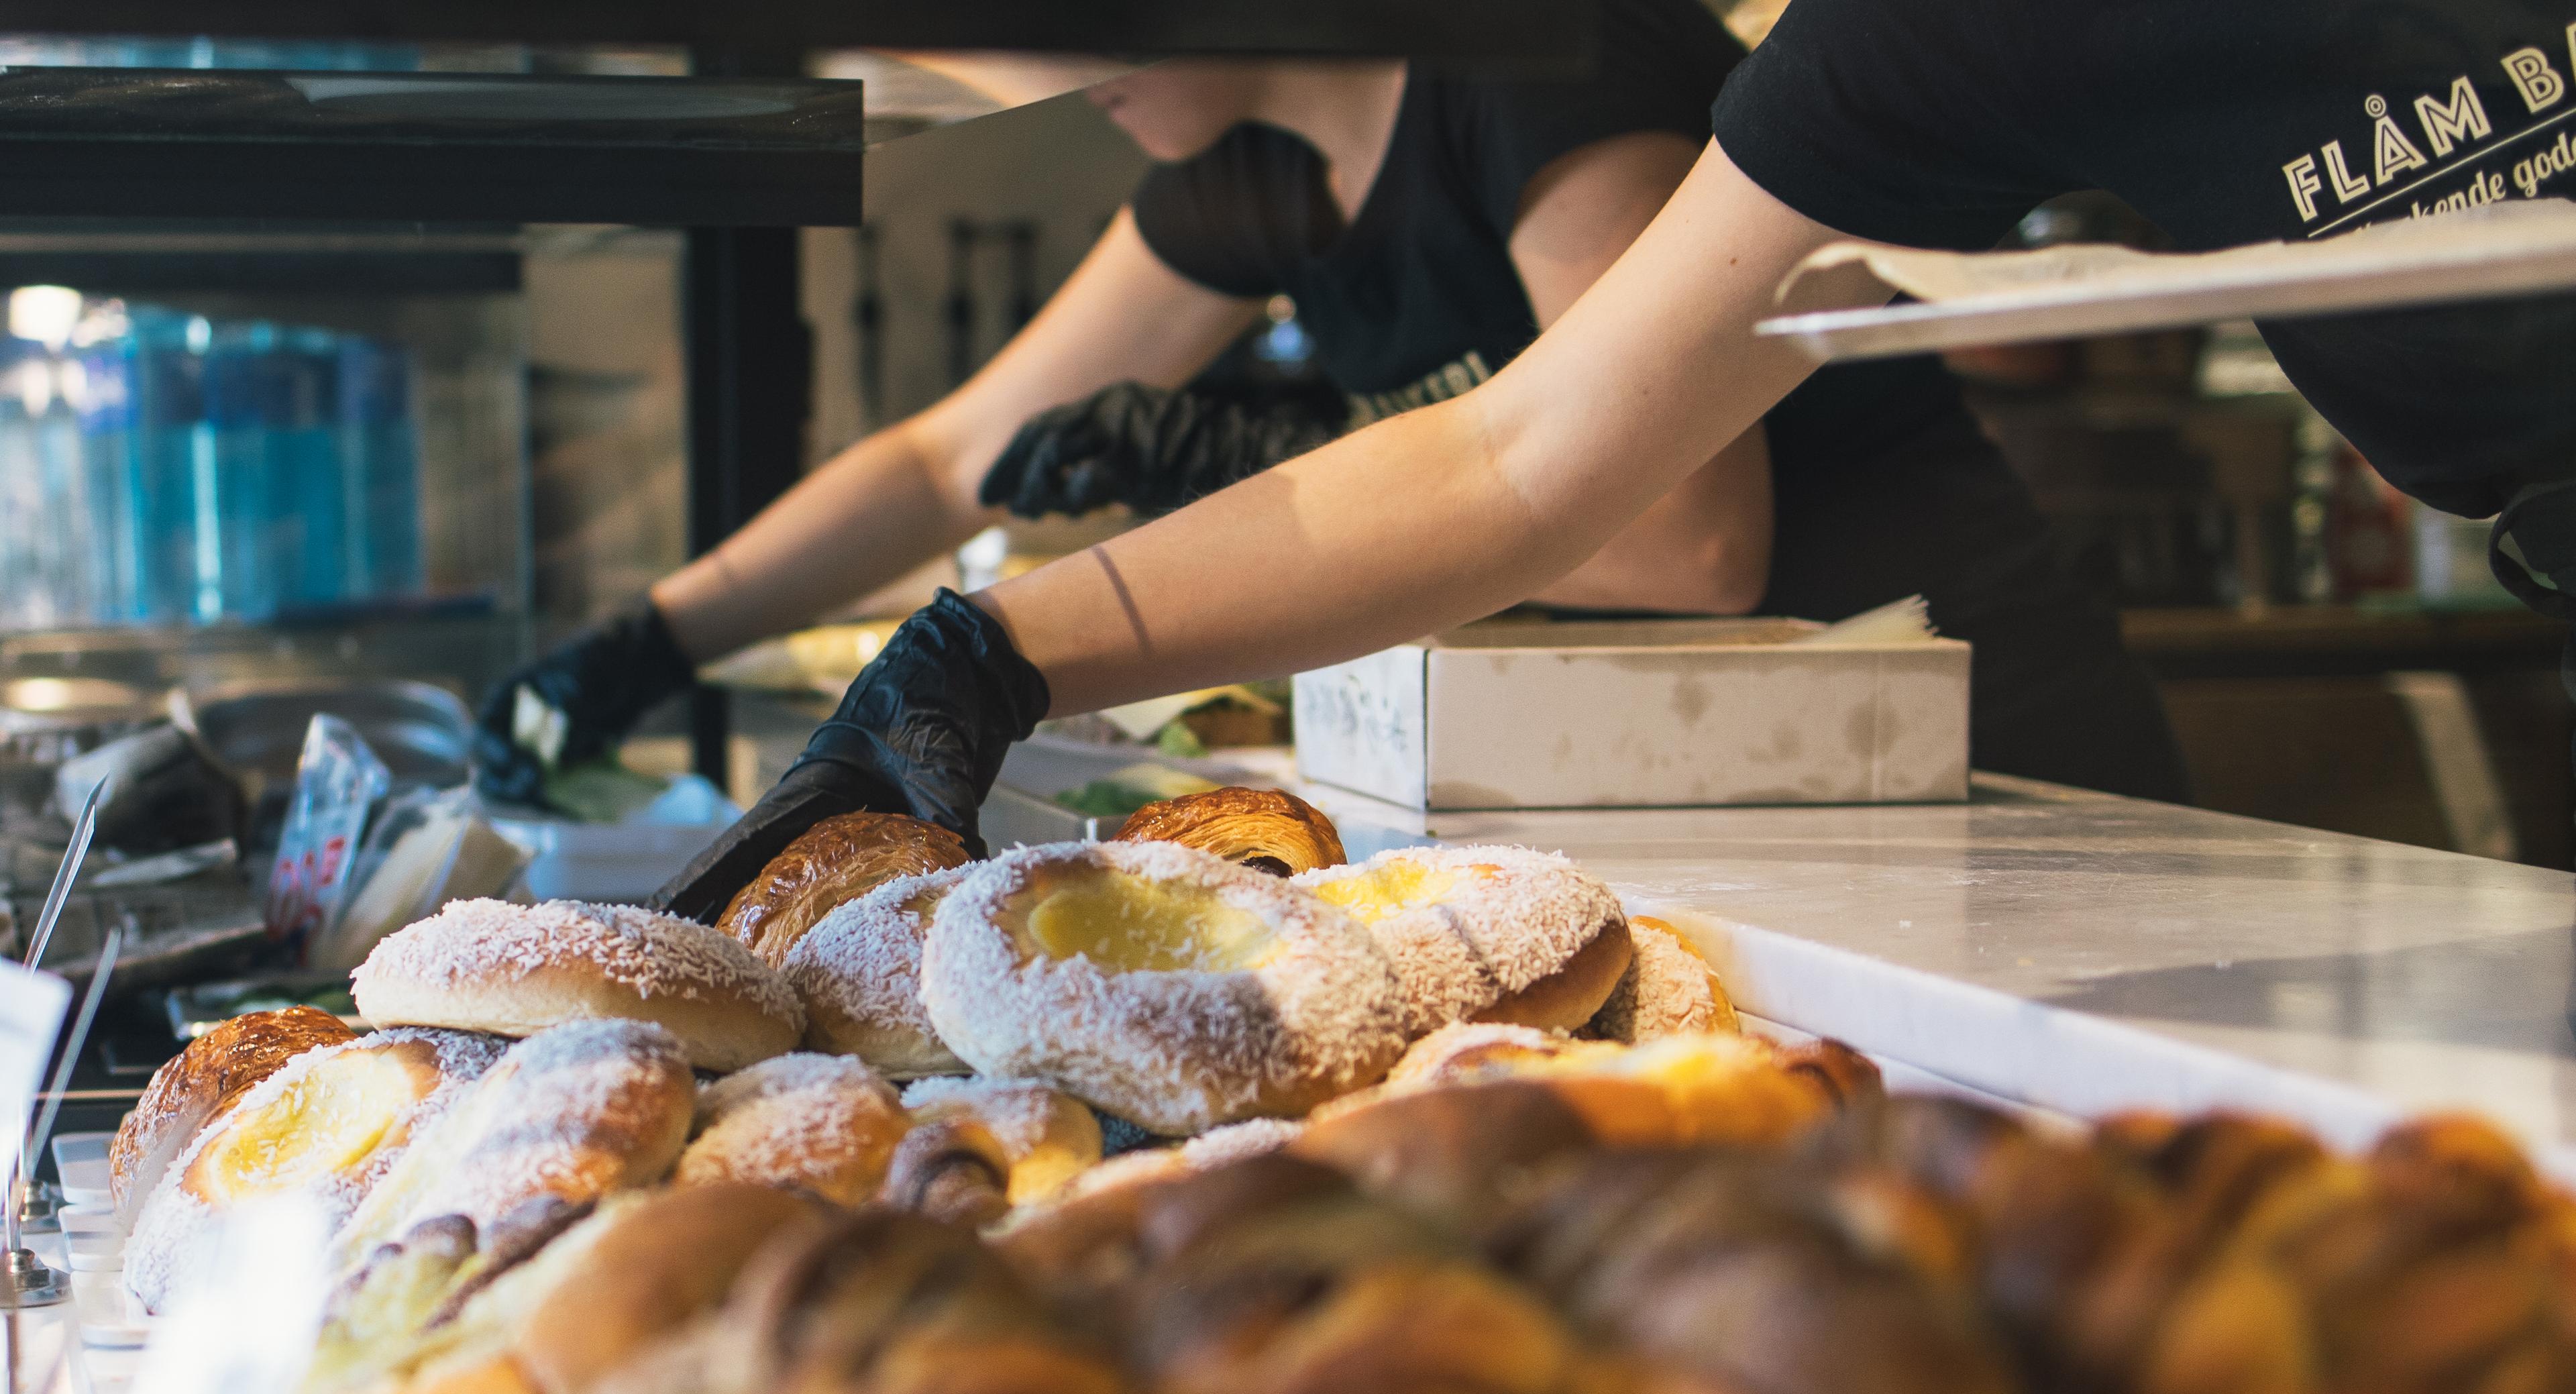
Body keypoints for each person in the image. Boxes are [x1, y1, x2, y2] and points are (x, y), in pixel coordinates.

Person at [654, 0, 2576, 917]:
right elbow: (1532, 458)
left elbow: (1668, 526)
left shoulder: (1545, 82)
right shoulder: (1914, 50)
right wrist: (987, 654)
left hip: (1991, 724)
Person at [477, 0, 2190, 857]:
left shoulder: (1536, 77)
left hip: (1970, 771)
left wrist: (1233, 459)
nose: (1053, 86)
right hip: (1701, 782)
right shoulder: (1251, 174)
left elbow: (1680, 533)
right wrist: (650, 638)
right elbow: (950, 458)